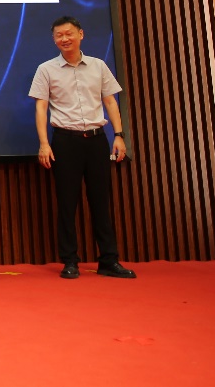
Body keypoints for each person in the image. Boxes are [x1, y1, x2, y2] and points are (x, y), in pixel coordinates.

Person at [29, 16, 136, 279]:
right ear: (54, 39)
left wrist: (118, 135)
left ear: (81, 34)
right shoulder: (46, 69)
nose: (64, 39)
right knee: (67, 203)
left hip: (97, 140)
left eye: (69, 33)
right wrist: (44, 144)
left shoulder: (98, 66)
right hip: (65, 141)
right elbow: (41, 108)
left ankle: (109, 260)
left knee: (101, 202)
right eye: (59, 35)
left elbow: (110, 102)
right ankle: (70, 261)